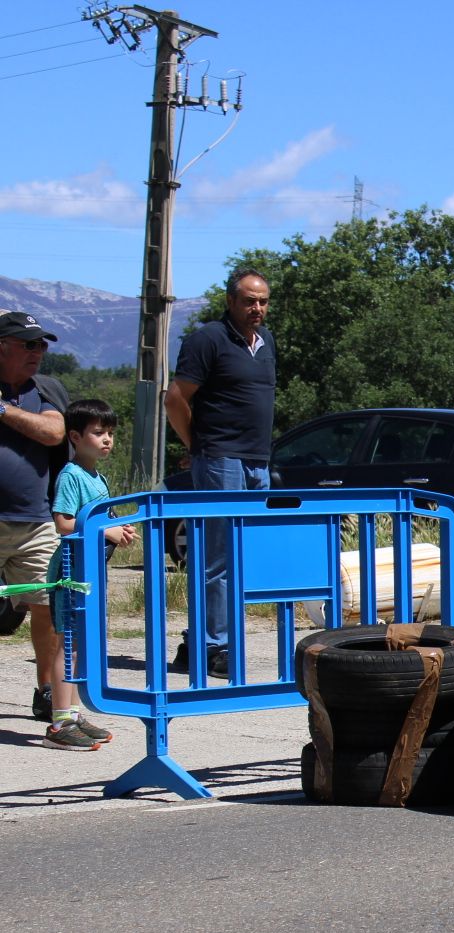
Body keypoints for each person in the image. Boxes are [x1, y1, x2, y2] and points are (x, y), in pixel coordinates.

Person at [166, 269, 276, 679]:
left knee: (243, 557)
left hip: (257, 461)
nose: (257, 309)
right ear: (231, 301)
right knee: (217, 558)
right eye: (249, 301)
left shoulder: (266, 342)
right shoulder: (208, 339)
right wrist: (196, 445)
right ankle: (213, 647)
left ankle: (199, 641)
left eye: (263, 301)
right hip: (220, 459)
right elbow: (175, 399)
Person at [42, 400, 135, 749]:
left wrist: (118, 530)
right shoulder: (71, 475)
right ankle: (59, 723)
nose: (107, 439)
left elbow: (101, 521)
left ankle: (74, 712)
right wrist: (104, 531)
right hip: (70, 574)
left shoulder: (97, 476)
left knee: (82, 644)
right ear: (75, 437)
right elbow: (64, 523)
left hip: (91, 572)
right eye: (98, 433)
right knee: (69, 645)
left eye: (110, 433)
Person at [0, 312, 70, 726]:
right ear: (2, 346)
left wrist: (3, 411)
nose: (38, 353)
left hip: (35, 520)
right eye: (29, 345)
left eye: (42, 345)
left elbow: (53, 433)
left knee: (48, 608)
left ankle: (47, 691)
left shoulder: (45, 389)